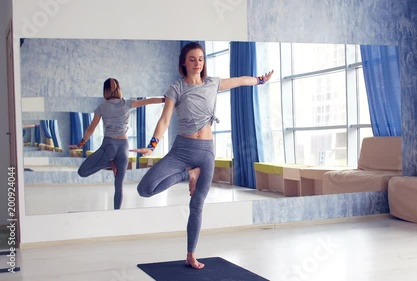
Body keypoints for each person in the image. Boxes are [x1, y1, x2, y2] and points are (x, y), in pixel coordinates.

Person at [131, 42, 273, 269]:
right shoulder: (176, 88)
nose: (198, 63)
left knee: (197, 205)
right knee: (145, 189)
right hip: (181, 150)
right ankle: (187, 174)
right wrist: (152, 145)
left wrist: (259, 80)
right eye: (192, 59)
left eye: (200, 59)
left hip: (206, 151)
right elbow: (165, 120)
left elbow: (238, 81)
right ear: (183, 63)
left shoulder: (212, 83)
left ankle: (191, 254)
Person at [68, 78, 164, 210]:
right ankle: (116, 214)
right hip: (124, 147)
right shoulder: (127, 104)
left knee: (82, 172)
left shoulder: (101, 108)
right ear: (119, 89)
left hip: (109, 145)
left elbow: (90, 129)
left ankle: (109, 163)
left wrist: (80, 144)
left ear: (105, 90)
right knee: (119, 186)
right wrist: (167, 99)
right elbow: (150, 101)